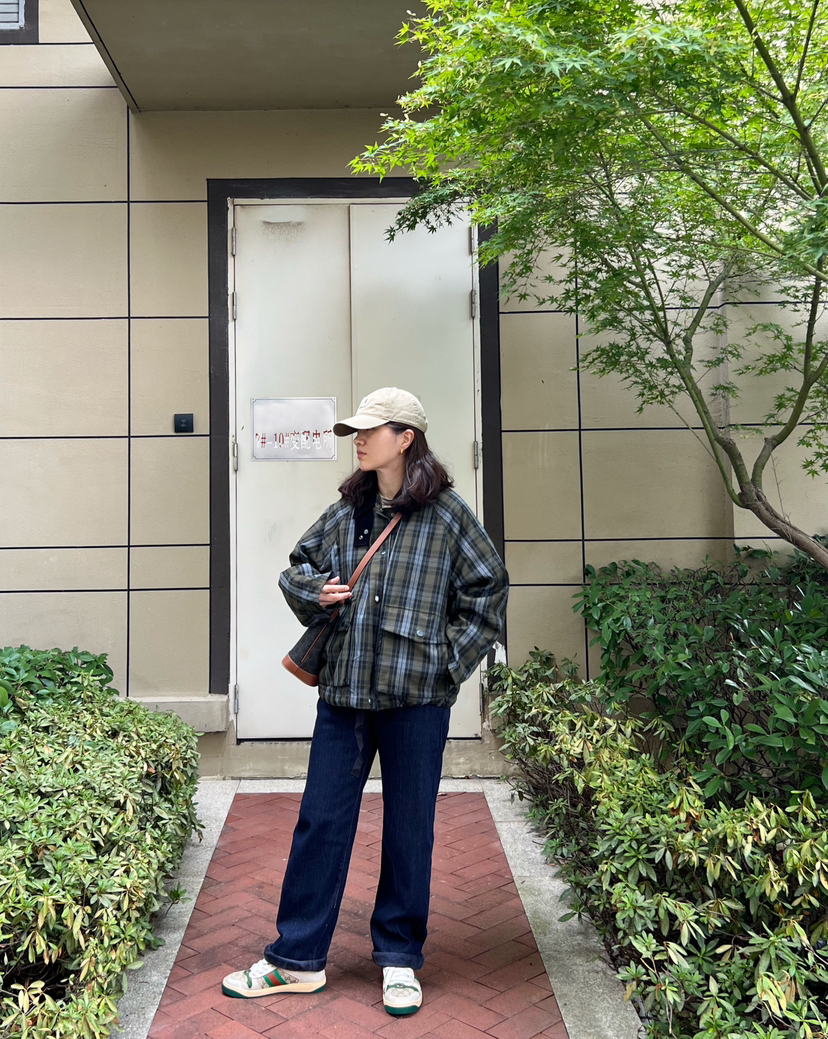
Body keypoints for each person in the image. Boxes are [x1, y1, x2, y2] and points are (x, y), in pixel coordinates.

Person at [222, 387, 509, 1015]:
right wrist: (315, 592)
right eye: (355, 430)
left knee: (410, 828)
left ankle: (400, 956)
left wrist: (446, 666)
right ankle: (296, 960)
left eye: (371, 430)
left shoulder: (449, 515)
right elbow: (297, 566)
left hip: (417, 699)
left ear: (406, 438)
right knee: (321, 821)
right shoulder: (348, 509)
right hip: (346, 692)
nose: (359, 439)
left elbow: (487, 593)